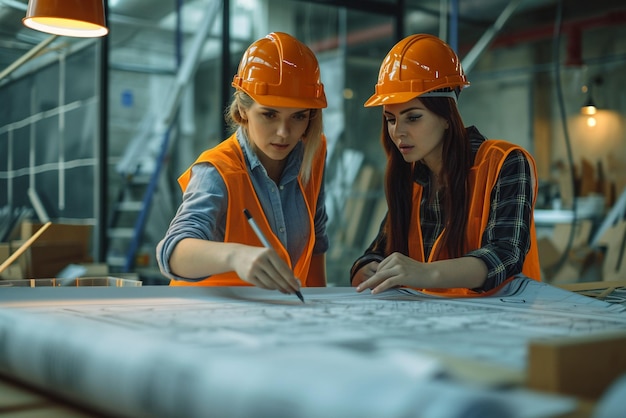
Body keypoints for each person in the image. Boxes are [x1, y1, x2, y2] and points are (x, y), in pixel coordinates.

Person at [351, 34, 541, 296]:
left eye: (413, 118)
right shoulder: (410, 178)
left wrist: (424, 272)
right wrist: (370, 269)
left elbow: (504, 256)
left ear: (447, 117)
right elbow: (376, 252)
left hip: (504, 323)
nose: (398, 132)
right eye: (391, 119)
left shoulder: (504, 163)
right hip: (431, 325)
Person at [157, 32, 329, 294]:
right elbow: (171, 251)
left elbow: (316, 244)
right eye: (269, 114)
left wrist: (320, 309)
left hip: (281, 320)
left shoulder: (313, 154)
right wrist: (235, 256)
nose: (284, 132)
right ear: (243, 111)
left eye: (298, 116)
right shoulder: (217, 170)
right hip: (204, 320)